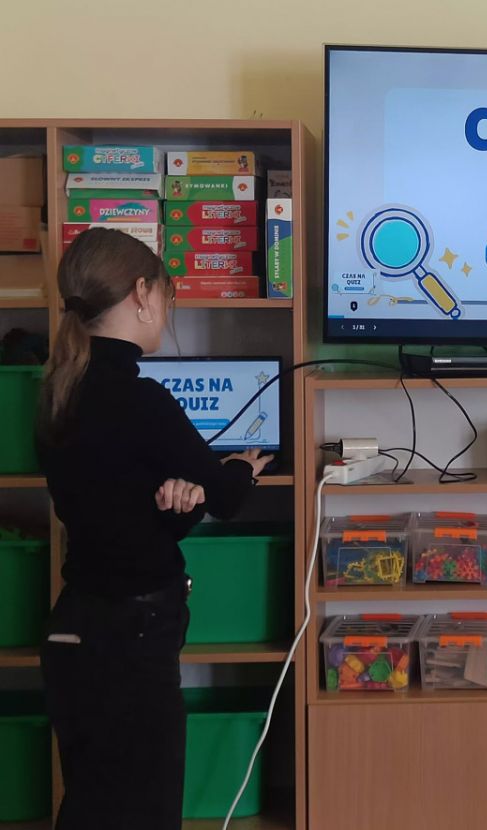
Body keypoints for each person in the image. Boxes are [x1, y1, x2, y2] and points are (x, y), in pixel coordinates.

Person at [35, 228, 273, 830]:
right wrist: (240, 468)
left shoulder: (58, 393)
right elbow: (228, 500)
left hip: (74, 628)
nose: (165, 311)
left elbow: (118, 518)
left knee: (89, 806)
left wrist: (179, 499)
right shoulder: (142, 400)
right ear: (142, 294)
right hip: (133, 638)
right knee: (145, 809)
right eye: (167, 297)